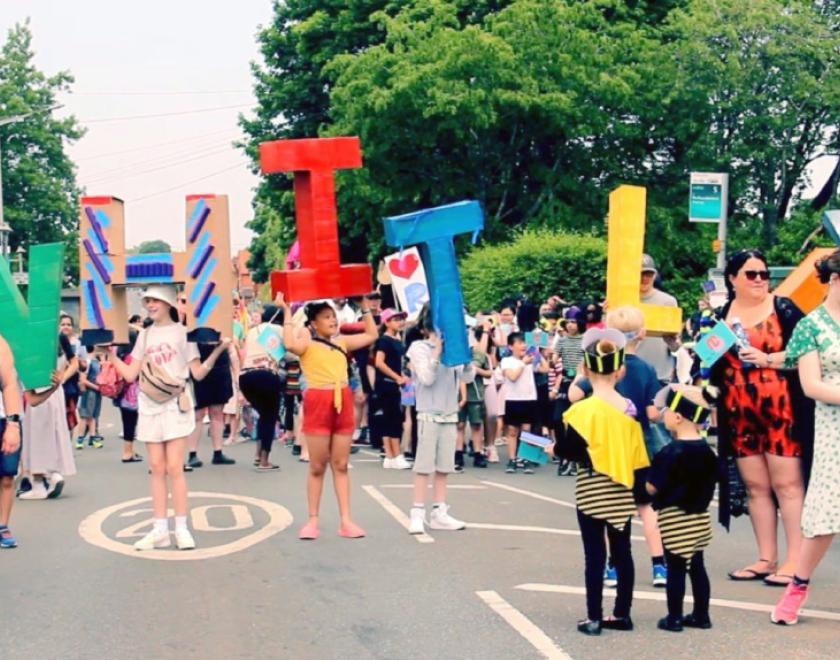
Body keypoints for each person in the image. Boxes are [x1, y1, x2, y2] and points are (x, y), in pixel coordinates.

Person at [711, 249, 813, 586]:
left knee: (788, 486)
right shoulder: (721, 314)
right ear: (732, 278)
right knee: (756, 487)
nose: (759, 280)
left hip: (781, 407)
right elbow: (709, 362)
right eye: (751, 274)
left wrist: (768, 358)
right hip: (739, 410)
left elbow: (809, 354)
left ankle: (796, 561)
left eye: (763, 274)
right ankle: (766, 557)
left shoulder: (783, 308)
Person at [108, 285, 231, 551]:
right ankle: (159, 529)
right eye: (147, 301)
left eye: (155, 301)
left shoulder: (183, 334)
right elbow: (131, 374)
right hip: (150, 404)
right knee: (156, 467)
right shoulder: (145, 335)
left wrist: (219, 350)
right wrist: (110, 355)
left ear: (168, 304)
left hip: (176, 403)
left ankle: (182, 529)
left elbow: (197, 373)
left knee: (175, 467)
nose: (150, 305)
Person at [554, 328, 649, 636]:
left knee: (594, 554)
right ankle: (622, 614)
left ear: (584, 369)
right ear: (620, 371)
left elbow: (571, 451)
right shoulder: (629, 410)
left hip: (591, 490)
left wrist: (552, 449)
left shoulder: (579, 411)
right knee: (622, 552)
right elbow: (637, 455)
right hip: (621, 490)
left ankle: (594, 617)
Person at [570, 306, 668, 588]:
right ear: (642, 333)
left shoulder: (603, 367)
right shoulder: (646, 369)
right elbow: (651, 413)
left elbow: (574, 394)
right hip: (639, 448)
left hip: (605, 452)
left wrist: (580, 374)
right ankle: (659, 565)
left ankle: (612, 566)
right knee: (647, 507)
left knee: (609, 509)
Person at [771, 250, 840, 625]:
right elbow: (811, 385)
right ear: (834, 279)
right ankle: (798, 585)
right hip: (833, 427)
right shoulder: (811, 326)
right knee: (827, 512)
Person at [278, 292, 378, 540]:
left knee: (341, 465)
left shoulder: (343, 341)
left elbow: (372, 335)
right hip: (318, 403)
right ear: (313, 323)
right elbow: (290, 344)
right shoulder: (307, 344)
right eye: (326, 317)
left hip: (342, 401)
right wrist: (287, 312)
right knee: (317, 465)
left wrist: (364, 306)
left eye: (333, 316)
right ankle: (313, 520)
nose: (332, 320)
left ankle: (346, 520)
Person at [647, 385, 718, 632]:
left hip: (675, 518)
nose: (662, 414)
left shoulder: (671, 452)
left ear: (677, 417)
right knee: (697, 566)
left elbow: (652, 487)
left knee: (675, 567)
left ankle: (674, 617)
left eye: (666, 410)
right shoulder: (708, 452)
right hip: (700, 517)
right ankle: (701, 614)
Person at [406, 304, 474, 534]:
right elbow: (425, 378)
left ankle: (439, 512)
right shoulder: (418, 347)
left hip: (449, 413)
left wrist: (465, 355)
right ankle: (417, 512)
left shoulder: (454, 349)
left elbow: (468, 376)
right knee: (424, 465)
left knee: (445, 465)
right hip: (428, 413)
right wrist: (436, 354)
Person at [239, 304, 285, 471]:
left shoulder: (252, 331)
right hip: (266, 375)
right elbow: (290, 351)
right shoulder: (279, 329)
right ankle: (264, 460)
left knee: (264, 415)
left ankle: (258, 455)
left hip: (246, 377)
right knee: (269, 417)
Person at [186, 338, 237, 469]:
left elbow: (232, 351)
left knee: (217, 412)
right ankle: (192, 454)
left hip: (220, 369)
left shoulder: (223, 327)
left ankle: (218, 452)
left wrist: (237, 374)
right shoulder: (195, 328)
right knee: (198, 413)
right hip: (200, 367)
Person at [372, 309, 411, 470]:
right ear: (387, 322)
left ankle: (391, 456)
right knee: (392, 419)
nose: (400, 322)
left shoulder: (398, 340)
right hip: (387, 384)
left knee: (392, 419)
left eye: (401, 319)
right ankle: (395, 454)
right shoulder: (384, 341)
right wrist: (397, 377)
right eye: (395, 319)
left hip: (395, 384)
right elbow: (379, 362)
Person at [501, 332, 544, 474]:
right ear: (511, 346)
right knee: (513, 431)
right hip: (513, 399)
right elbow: (512, 377)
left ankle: (525, 458)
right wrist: (523, 363)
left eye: (524, 343)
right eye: (519, 343)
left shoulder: (530, 360)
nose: (523, 346)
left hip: (529, 399)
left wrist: (538, 354)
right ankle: (512, 459)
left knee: (527, 430)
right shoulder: (507, 361)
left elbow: (545, 369)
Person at [636, 255, 680, 383]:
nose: (645, 278)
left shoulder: (668, 302)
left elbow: (676, 346)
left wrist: (673, 342)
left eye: (649, 274)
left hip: (661, 374)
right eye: (641, 274)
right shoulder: (623, 301)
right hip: (630, 374)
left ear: (655, 276)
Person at [0, 335, 24, 547]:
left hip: (2, 420)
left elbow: (9, 383)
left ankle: (2, 525)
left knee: (7, 476)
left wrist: (13, 425)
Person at [458, 325, 492, 469]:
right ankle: (457, 453)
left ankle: (478, 453)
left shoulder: (480, 354)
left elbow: (489, 373)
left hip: (475, 394)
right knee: (459, 425)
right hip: (457, 394)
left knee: (476, 425)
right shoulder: (455, 354)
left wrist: (477, 370)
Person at [115, 327, 142, 463]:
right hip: (136, 393)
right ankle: (128, 452)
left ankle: (127, 451)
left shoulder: (119, 355)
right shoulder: (134, 357)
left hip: (122, 392)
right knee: (137, 423)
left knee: (127, 423)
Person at [77, 345, 104, 449]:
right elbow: (83, 379)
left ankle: (92, 439)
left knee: (93, 416)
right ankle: (80, 440)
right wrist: (96, 387)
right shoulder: (87, 362)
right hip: (89, 392)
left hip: (96, 392)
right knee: (85, 416)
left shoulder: (96, 361)